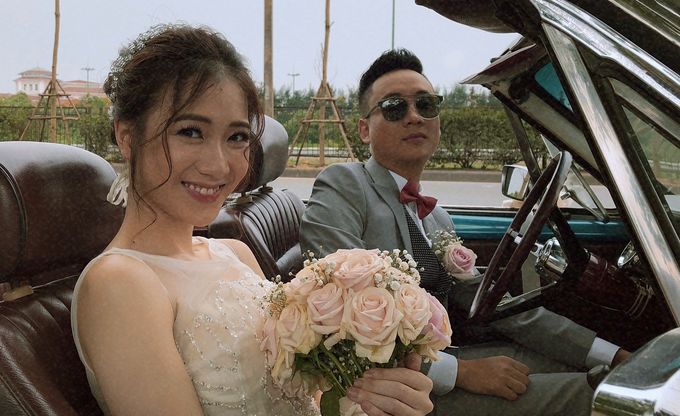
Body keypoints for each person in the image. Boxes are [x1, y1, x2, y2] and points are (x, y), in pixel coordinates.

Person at [71, 26, 434, 416]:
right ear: (127, 137)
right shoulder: (119, 282)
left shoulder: (235, 253)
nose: (219, 166)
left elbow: (304, 395)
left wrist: (372, 402)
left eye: (237, 138)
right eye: (190, 132)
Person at [299, 48, 631, 416]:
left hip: (447, 357)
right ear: (364, 129)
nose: (414, 116)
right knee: (605, 398)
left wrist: (611, 353)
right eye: (394, 107)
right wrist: (461, 373)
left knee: (603, 373)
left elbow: (499, 304)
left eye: (426, 105)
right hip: (395, 390)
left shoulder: (438, 217)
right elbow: (342, 310)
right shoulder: (345, 184)